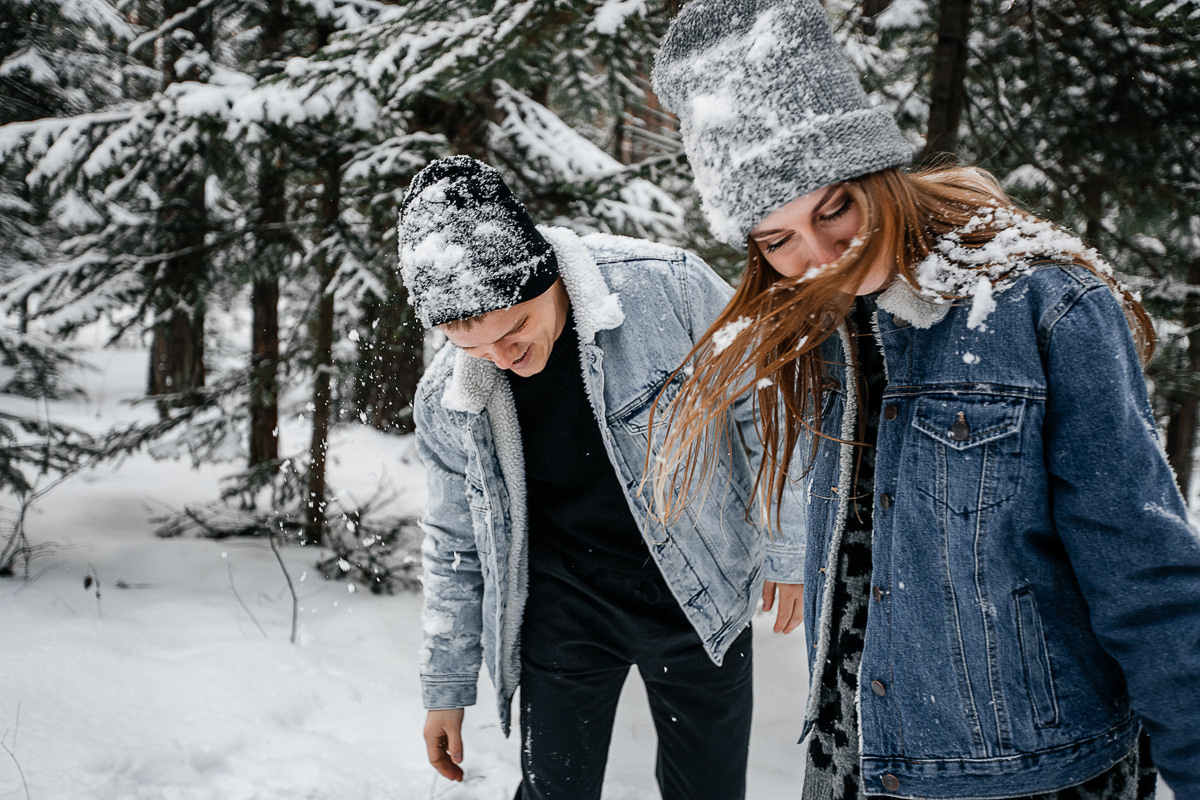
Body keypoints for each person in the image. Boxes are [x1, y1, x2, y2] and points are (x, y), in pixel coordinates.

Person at [648, 1, 1200, 798]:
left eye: (834, 207)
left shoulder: (1044, 305)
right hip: (854, 766)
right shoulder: (824, 326)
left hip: (1028, 777)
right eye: (777, 239)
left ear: (876, 169)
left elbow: (1143, 571)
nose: (821, 257)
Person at [398, 155, 804, 800]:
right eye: (474, 347)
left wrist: (788, 545)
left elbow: (764, 405)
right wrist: (444, 690)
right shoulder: (449, 394)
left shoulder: (666, 287)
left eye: (517, 330)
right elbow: (454, 543)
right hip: (566, 608)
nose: (504, 361)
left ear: (546, 278)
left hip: (698, 588)